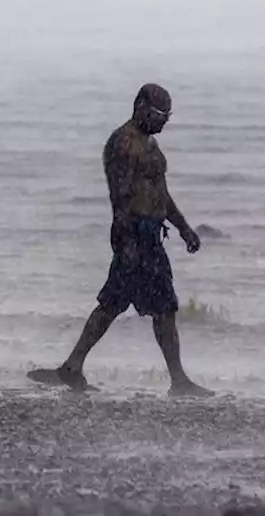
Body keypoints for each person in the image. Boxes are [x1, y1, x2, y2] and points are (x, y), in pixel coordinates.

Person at [28, 83, 214, 397]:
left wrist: (183, 228)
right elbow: (121, 197)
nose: (163, 122)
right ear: (140, 107)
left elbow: (161, 195)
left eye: (168, 116)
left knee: (125, 304)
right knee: (147, 306)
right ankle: (177, 381)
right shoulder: (123, 143)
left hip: (151, 234)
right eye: (158, 115)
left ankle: (72, 368)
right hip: (134, 235)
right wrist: (125, 243)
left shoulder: (150, 144)